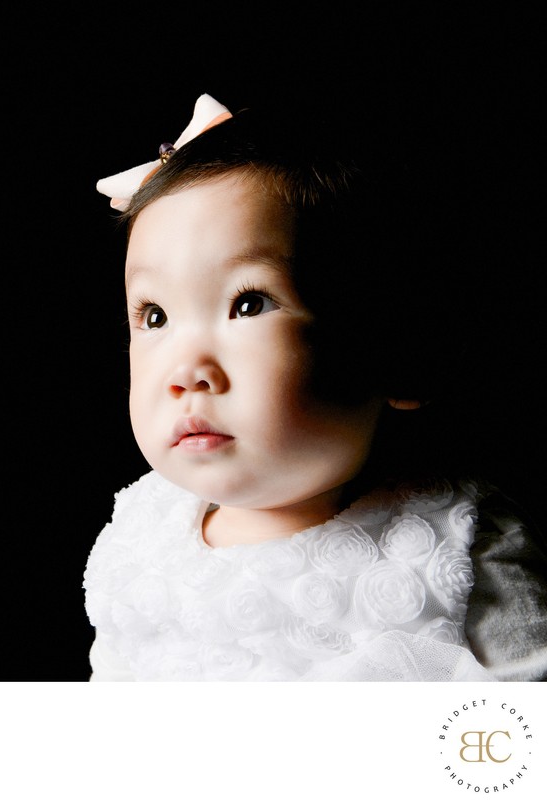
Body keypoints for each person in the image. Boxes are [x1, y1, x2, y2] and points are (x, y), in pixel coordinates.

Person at [83, 90, 547, 681]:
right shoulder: (140, 540)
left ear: (398, 353)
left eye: (249, 304)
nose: (186, 371)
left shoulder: (457, 546)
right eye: (155, 316)